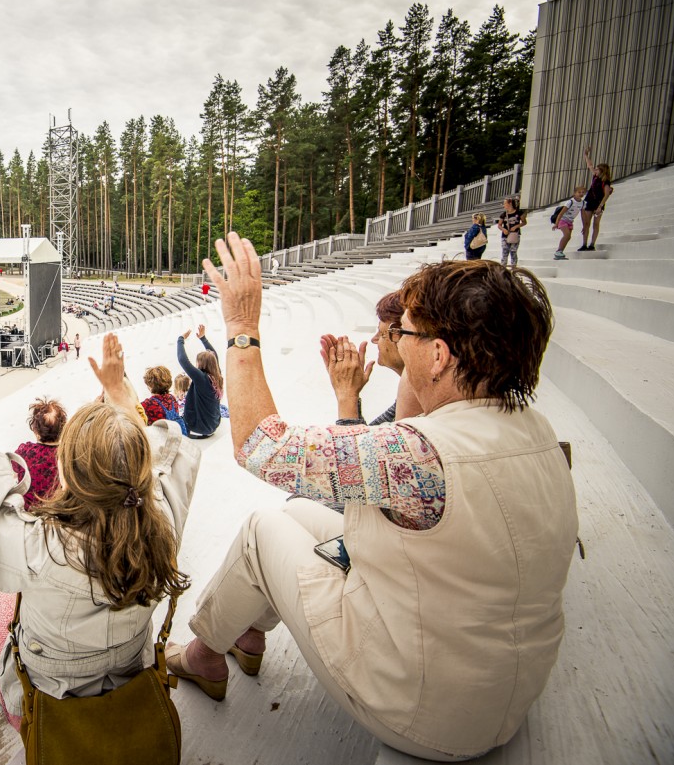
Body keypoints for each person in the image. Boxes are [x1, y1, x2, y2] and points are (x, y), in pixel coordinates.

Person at [165, 232, 578, 761]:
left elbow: (261, 446)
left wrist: (242, 327)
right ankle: (245, 633)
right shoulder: (534, 431)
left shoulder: (419, 456)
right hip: (489, 687)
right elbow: (401, 474)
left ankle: (203, 654)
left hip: (423, 706)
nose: (395, 340)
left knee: (262, 529)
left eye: (406, 332)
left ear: (438, 355)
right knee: (298, 511)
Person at [0, 334, 201, 730]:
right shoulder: (164, 512)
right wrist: (117, 391)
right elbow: (148, 457)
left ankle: (11, 699)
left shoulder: (41, 548)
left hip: (54, 691)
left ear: (70, 472)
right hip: (130, 666)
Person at [321, 291, 416, 427]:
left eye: (382, 334)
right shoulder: (408, 397)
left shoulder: (421, 406)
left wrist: (346, 394)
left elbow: (354, 447)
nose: (374, 339)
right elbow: (371, 437)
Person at [10, 398, 67, 508]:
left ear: (36, 431)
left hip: (29, 510)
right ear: (63, 428)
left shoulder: (24, 451)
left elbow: (13, 469)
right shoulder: (65, 454)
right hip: (55, 509)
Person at [176, 325, 223, 438]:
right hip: (213, 424)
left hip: (199, 429)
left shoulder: (202, 379)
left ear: (201, 364)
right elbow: (214, 355)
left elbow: (183, 360)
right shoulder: (217, 376)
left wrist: (180, 339)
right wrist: (203, 338)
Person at [579, 146, 613, 250]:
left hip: (598, 203)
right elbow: (590, 165)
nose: (595, 170)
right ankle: (584, 244)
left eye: (598, 169)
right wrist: (586, 155)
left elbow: (606, 194)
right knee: (586, 223)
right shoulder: (595, 176)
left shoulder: (605, 181)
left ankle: (592, 244)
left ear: (602, 171)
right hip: (589, 201)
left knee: (596, 224)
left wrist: (600, 206)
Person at [141, 365, 187, 435]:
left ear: (150, 386)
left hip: (163, 440)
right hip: (178, 436)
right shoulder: (172, 398)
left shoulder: (147, 404)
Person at [553, 186, 586, 260]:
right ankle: (558, 251)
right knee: (567, 235)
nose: (581, 194)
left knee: (568, 237)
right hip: (563, 220)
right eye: (579, 192)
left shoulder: (583, 203)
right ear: (574, 193)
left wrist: (584, 226)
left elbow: (583, 215)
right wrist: (556, 223)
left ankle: (560, 251)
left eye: (582, 192)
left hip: (570, 222)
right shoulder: (570, 202)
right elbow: (561, 213)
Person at [496, 197, 527, 267]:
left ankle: (514, 267)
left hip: (515, 234)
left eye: (505, 203)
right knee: (504, 252)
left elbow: (524, 222)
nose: (504, 205)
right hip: (505, 235)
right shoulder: (503, 214)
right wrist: (503, 229)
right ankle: (503, 267)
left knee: (513, 252)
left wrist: (516, 226)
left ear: (510, 203)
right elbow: (499, 225)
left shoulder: (518, 213)